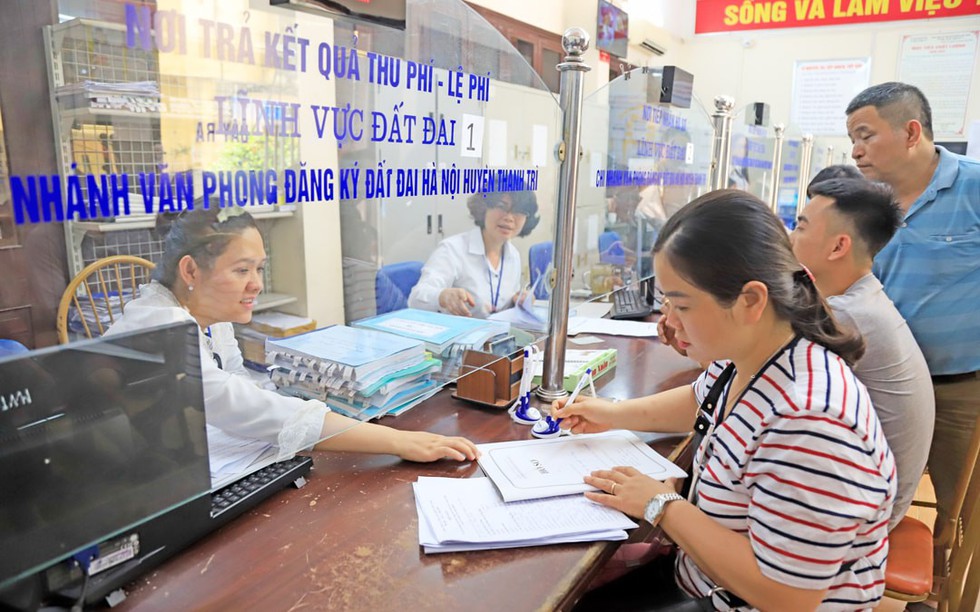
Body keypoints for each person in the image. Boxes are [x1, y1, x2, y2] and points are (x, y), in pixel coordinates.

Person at [557, 190, 896, 610]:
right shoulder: (750, 354)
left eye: (681, 304)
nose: (668, 321)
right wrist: (610, 414)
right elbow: (701, 401)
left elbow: (787, 595)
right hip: (700, 579)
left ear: (750, 300)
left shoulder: (810, 420)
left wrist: (661, 505)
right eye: (665, 302)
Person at [105, 208, 478, 464]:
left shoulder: (210, 315)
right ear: (190, 270)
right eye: (241, 270)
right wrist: (400, 442)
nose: (256, 285)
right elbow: (240, 405)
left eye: (259, 268)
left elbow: (241, 383)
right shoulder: (161, 325)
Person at [846, 82, 980, 528]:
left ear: (910, 132)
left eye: (866, 136)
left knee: (959, 511)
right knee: (865, 491)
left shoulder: (973, 187)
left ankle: (939, 593)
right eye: (852, 141)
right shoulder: (864, 203)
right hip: (877, 383)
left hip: (958, 388)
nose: (856, 151)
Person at [791, 174, 934, 529]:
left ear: (838, 247)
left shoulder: (848, 315)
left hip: (867, 511)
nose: (790, 238)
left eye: (800, 227)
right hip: (871, 487)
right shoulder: (861, 297)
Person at [408, 191, 539, 317]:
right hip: (459, 336)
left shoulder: (513, 255)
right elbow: (415, 298)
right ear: (484, 208)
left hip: (498, 335)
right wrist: (442, 296)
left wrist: (518, 299)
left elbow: (504, 301)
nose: (509, 217)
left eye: (519, 211)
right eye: (501, 206)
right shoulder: (452, 249)